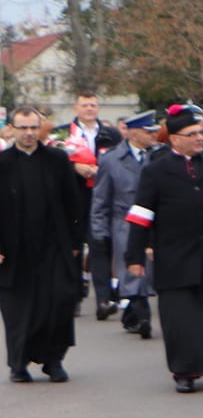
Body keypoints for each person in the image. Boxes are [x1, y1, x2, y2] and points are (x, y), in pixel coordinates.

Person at [125, 105, 203, 393]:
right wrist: (135, 256)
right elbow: (141, 216)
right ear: (174, 139)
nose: (199, 138)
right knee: (181, 317)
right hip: (173, 256)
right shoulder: (156, 171)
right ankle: (184, 371)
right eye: (192, 134)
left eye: (201, 133)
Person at [0, 105, 88, 382]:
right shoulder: (2, 163)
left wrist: (76, 240)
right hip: (14, 250)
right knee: (19, 310)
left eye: (33, 128)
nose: (29, 133)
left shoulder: (57, 159)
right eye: (23, 128)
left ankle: (54, 361)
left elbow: (73, 203)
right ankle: (19, 364)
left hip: (54, 246)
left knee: (59, 302)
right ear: (11, 129)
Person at [90, 113, 162, 341]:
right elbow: (101, 198)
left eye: (154, 131)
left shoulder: (159, 156)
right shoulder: (111, 159)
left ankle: (132, 314)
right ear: (133, 133)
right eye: (148, 131)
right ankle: (142, 316)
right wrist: (99, 230)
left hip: (156, 223)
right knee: (132, 270)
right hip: (125, 223)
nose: (153, 135)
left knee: (150, 272)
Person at [65, 92, 121, 320]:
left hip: (101, 196)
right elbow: (55, 163)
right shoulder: (65, 133)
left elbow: (119, 160)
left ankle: (103, 300)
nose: (89, 109)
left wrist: (103, 170)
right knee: (74, 248)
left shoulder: (110, 134)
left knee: (100, 246)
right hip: (73, 195)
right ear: (76, 108)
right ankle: (74, 297)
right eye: (85, 105)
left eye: (93, 105)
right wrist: (74, 168)